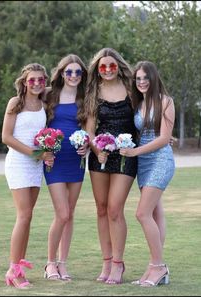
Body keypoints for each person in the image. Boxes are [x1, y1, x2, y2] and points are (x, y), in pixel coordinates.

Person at [84, 48, 137, 285]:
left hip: (126, 155)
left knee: (115, 209)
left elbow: (145, 117)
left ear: (118, 67)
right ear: (97, 69)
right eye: (102, 66)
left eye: (111, 66)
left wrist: (163, 134)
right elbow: (89, 130)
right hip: (100, 155)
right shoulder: (93, 93)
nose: (107, 70)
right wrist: (97, 150)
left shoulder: (132, 90)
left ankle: (118, 263)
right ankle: (106, 261)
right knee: (102, 209)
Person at [119, 60, 175, 287]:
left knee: (142, 213)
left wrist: (134, 152)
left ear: (153, 78)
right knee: (154, 213)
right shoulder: (138, 103)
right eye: (138, 79)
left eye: (145, 78)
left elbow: (163, 138)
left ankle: (159, 267)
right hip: (143, 162)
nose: (141, 82)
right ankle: (154, 267)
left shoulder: (166, 101)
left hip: (160, 160)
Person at [2, 63, 54, 288]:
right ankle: (14, 271)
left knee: (29, 216)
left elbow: (63, 86)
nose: (36, 83)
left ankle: (18, 268)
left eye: (41, 80)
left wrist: (45, 154)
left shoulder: (44, 103)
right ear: (24, 82)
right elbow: (6, 137)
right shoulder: (16, 103)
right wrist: (37, 153)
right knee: (23, 215)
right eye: (31, 80)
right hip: (19, 163)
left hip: (36, 165)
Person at [43, 54, 88, 281]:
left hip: (77, 161)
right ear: (61, 73)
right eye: (69, 72)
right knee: (61, 214)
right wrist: (40, 153)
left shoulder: (85, 98)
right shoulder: (48, 95)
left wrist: (87, 146)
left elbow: (89, 131)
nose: (73, 76)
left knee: (69, 214)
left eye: (78, 72)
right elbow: (36, 123)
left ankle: (63, 264)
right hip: (55, 161)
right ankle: (50, 264)